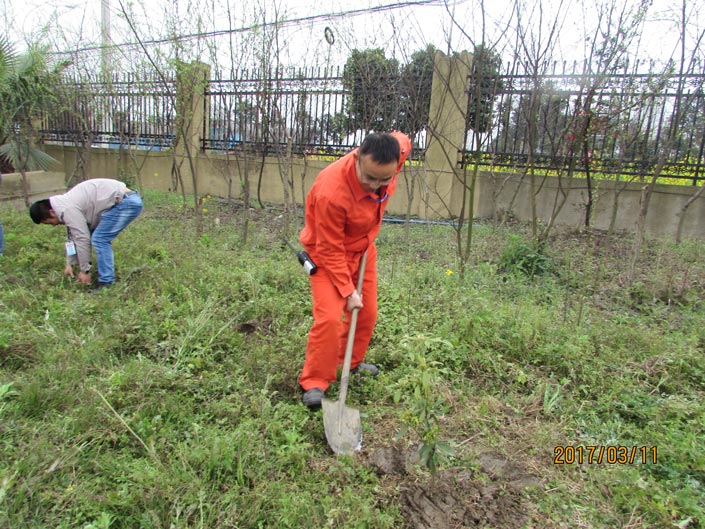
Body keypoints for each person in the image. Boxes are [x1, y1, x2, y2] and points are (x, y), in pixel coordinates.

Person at [298, 131, 411, 408]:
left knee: (367, 313)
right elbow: (329, 248)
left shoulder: (397, 154)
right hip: (327, 256)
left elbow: (402, 139)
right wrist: (348, 291)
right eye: (369, 178)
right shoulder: (331, 192)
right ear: (357, 157)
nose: (375, 185)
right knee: (330, 319)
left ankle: (348, 362)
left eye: (384, 179)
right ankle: (315, 381)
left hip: (362, 252)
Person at [29, 178, 143, 290]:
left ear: (51, 212)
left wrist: (85, 271)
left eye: (49, 222)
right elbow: (73, 238)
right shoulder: (63, 206)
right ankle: (105, 279)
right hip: (124, 201)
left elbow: (82, 239)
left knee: (100, 239)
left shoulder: (67, 209)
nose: (53, 225)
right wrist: (70, 264)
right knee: (96, 236)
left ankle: (107, 283)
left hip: (127, 202)